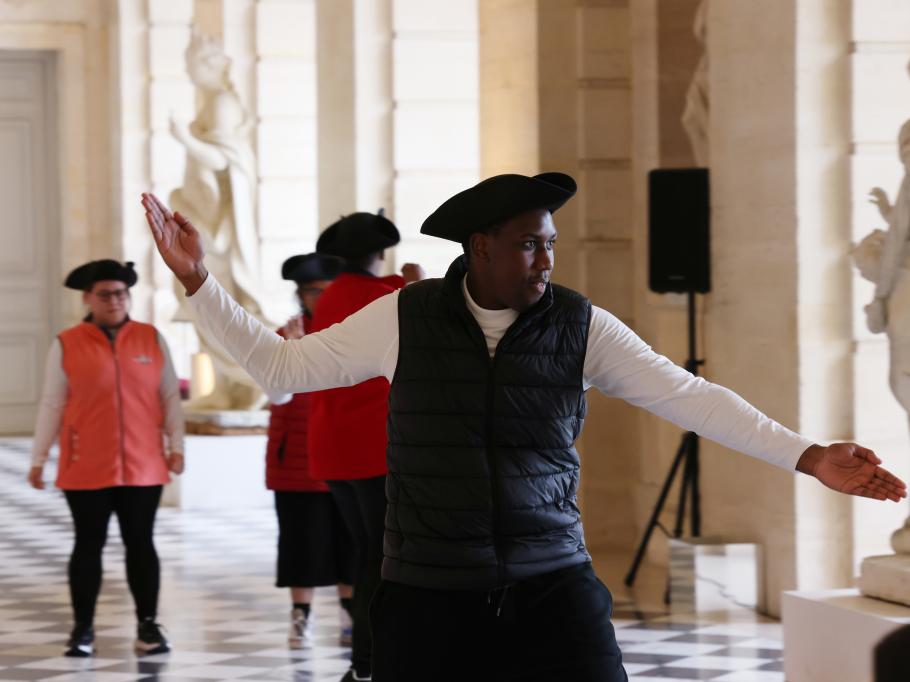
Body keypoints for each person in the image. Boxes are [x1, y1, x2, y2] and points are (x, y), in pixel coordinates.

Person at [142, 174, 907, 682]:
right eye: (528, 243)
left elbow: (689, 397)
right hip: (428, 588)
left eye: (550, 243)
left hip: (550, 580)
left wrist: (807, 455)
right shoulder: (404, 317)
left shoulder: (581, 326)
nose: (545, 257)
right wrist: (199, 283)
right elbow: (282, 369)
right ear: (479, 247)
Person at [29, 259, 184, 658]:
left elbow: (169, 396)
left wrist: (176, 445)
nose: (114, 301)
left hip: (143, 464)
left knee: (141, 544)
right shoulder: (67, 342)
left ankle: (148, 626)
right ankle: (82, 629)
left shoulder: (151, 338)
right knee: (88, 545)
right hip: (85, 464)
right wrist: (38, 457)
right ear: (88, 298)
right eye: (105, 294)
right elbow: (52, 402)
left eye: (120, 293)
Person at [306, 212, 424, 681]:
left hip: (333, 448)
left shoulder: (332, 295)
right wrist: (418, 282)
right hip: (372, 445)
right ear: (380, 253)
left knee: (365, 554)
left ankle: (368, 659)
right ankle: (367, 662)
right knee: (382, 557)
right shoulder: (389, 298)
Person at [266, 252, 354, 648]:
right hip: (297, 459)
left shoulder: (353, 333)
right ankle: (300, 616)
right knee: (300, 541)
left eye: (324, 290)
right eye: (310, 291)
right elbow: (275, 394)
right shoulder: (284, 336)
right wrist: (295, 353)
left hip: (344, 453)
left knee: (350, 540)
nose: (317, 298)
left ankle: (350, 614)